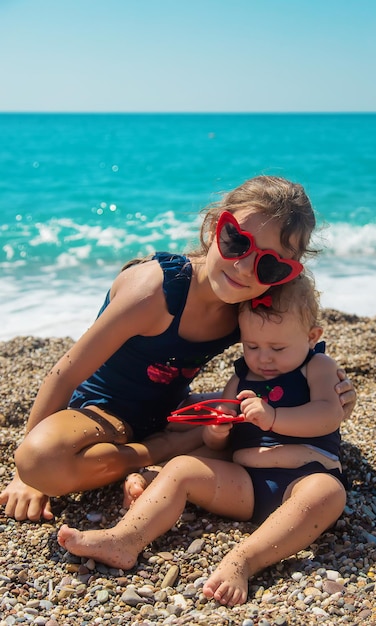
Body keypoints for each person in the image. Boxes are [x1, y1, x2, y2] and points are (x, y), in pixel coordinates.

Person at [0, 175, 354, 523]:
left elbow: (294, 353)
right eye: (237, 241)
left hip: (175, 411)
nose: (244, 268)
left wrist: (335, 393)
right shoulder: (154, 292)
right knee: (38, 461)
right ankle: (160, 453)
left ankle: (157, 460)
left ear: (284, 274)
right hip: (102, 411)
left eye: (270, 264)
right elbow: (65, 374)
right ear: (216, 225)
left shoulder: (246, 306)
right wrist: (24, 479)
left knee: (255, 426)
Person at [57, 273, 348, 607]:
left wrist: (273, 418)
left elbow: (329, 413)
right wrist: (216, 432)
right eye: (252, 346)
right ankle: (124, 538)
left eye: (278, 348)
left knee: (328, 493)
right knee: (182, 468)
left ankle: (244, 560)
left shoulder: (318, 367)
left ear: (312, 337)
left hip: (305, 475)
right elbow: (217, 441)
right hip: (248, 485)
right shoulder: (240, 378)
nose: (264, 358)